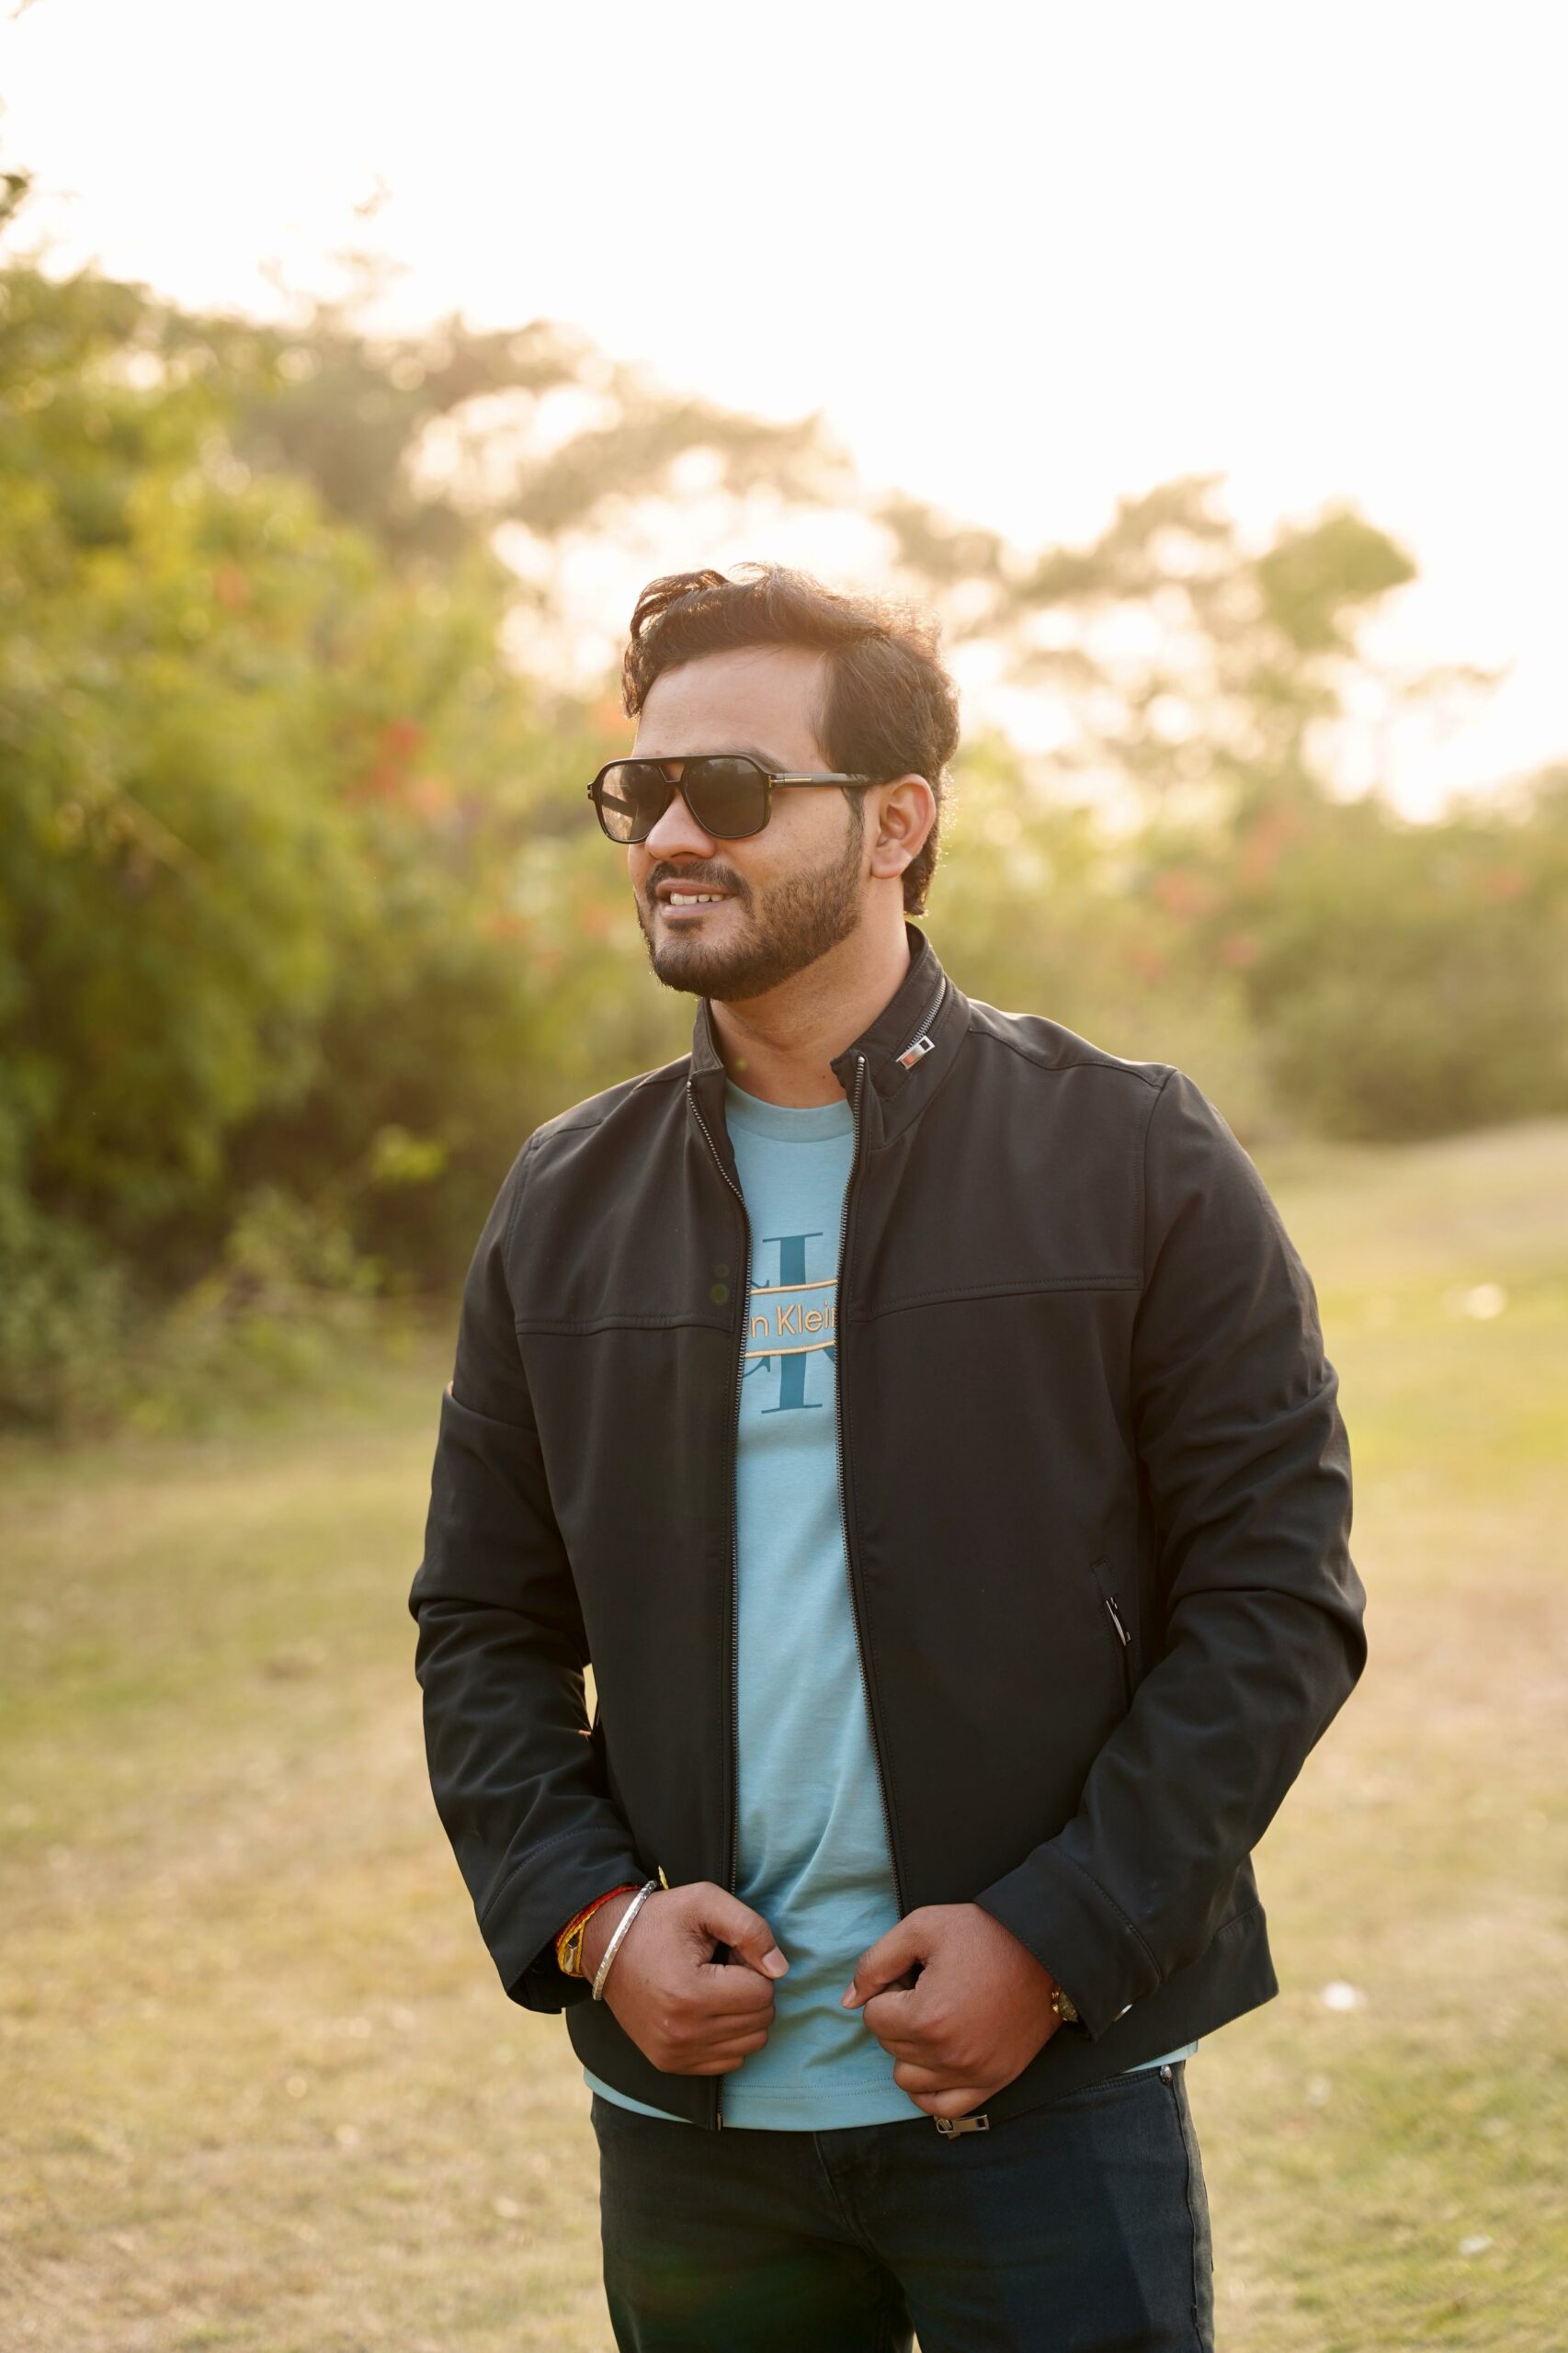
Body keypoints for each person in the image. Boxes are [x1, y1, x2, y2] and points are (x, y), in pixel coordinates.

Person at [409, 562, 1367, 2351]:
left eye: (730, 788)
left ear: (897, 821)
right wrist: (594, 1920)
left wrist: (1056, 1939)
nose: (670, 834)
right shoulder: (561, 1201)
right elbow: (481, 1624)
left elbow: (1273, 1600)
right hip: (695, 2140)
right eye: (641, 790)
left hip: (1045, 2098)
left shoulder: (1133, 1156)